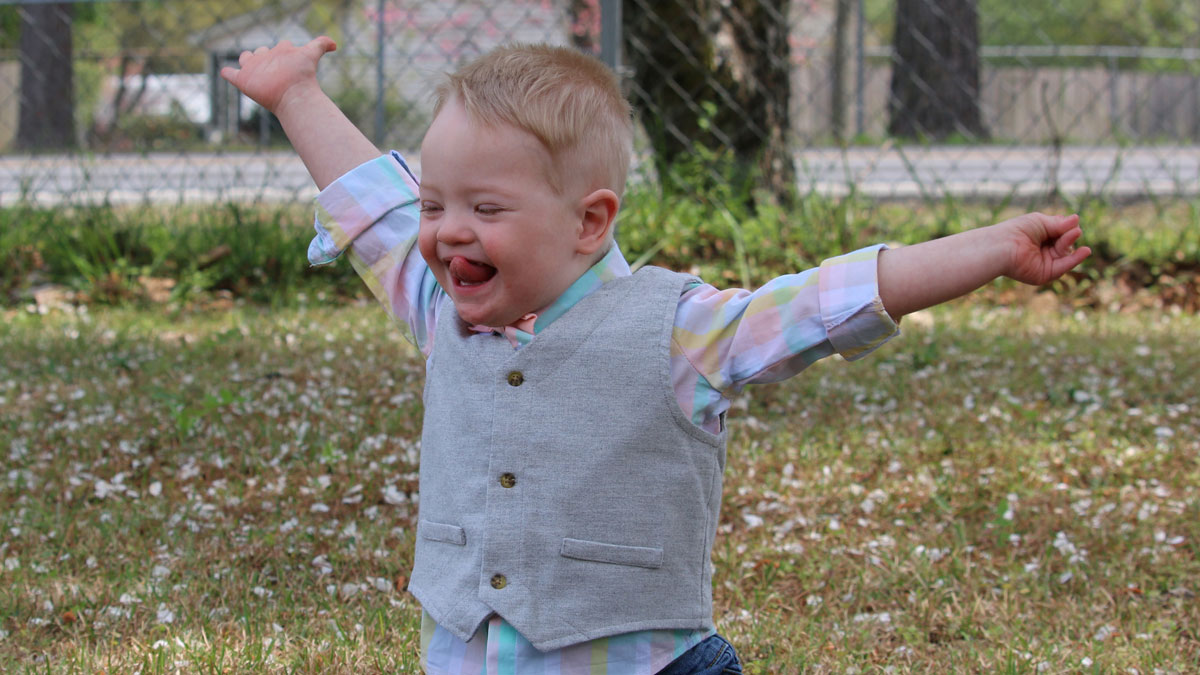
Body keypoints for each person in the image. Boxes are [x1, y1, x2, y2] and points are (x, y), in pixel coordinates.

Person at [221, 37, 1091, 675]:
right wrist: (296, 92)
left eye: (485, 209)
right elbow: (373, 205)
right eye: (438, 203)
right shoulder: (439, 303)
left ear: (589, 220)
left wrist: (994, 245)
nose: (447, 231)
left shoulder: (676, 330)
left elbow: (826, 303)